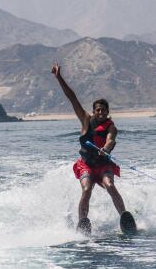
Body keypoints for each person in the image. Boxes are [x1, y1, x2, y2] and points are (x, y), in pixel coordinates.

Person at [51, 62, 135, 235]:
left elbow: (110, 140)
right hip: (87, 164)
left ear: (108, 112)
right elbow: (72, 98)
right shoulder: (85, 120)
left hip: (103, 164)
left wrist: (105, 148)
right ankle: (83, 221)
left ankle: (124, 217)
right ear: (94, 111)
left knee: (110, 185)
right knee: (87, 188)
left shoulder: (112, 127)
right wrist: (59, 78)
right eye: (98, 110)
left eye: (104, 110)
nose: (101, 113)